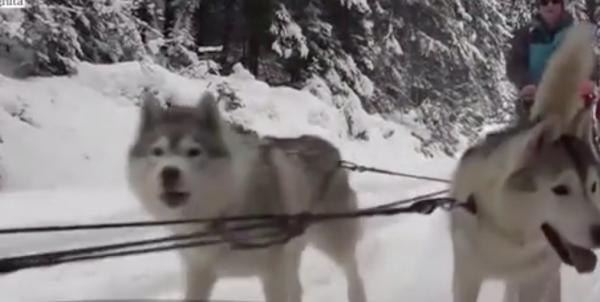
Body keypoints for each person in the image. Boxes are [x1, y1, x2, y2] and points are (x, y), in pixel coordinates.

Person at [506, 0, 598, 119]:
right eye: (544, 2)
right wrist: (525, 83)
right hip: (534, 104)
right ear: (538, 7)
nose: (550, 6)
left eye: (555, 1)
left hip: (571, 104)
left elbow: (592, 63)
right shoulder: (526, 36)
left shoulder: (575, 33)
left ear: (561, 5)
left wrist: (589, 81)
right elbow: (514, 65)